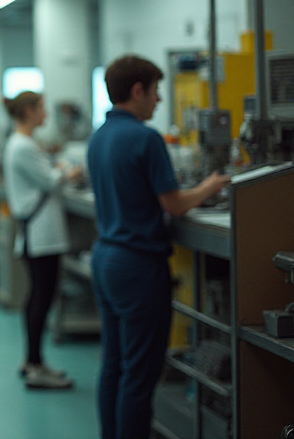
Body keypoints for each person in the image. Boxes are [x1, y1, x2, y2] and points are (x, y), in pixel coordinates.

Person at [87, 55, 230, 439]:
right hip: (137, 265)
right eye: (156, 91)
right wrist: (212, 186)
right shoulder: (145, 138)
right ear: (138, 91)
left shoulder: (99, 135)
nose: (159, 100)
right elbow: (175, 204)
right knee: (140, 374)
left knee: (115, 365)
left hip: (106, 260)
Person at [3, 91, 80, 390]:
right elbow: (50, 179)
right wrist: (68, 171)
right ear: (30, 111)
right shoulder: (22, 146)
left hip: (39, 234)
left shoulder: (21, 143)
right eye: (42, 108)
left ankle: (33, 360)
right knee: (41, 298)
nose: (46, 114)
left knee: (38, 296)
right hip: (41, 235)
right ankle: (35, 365)